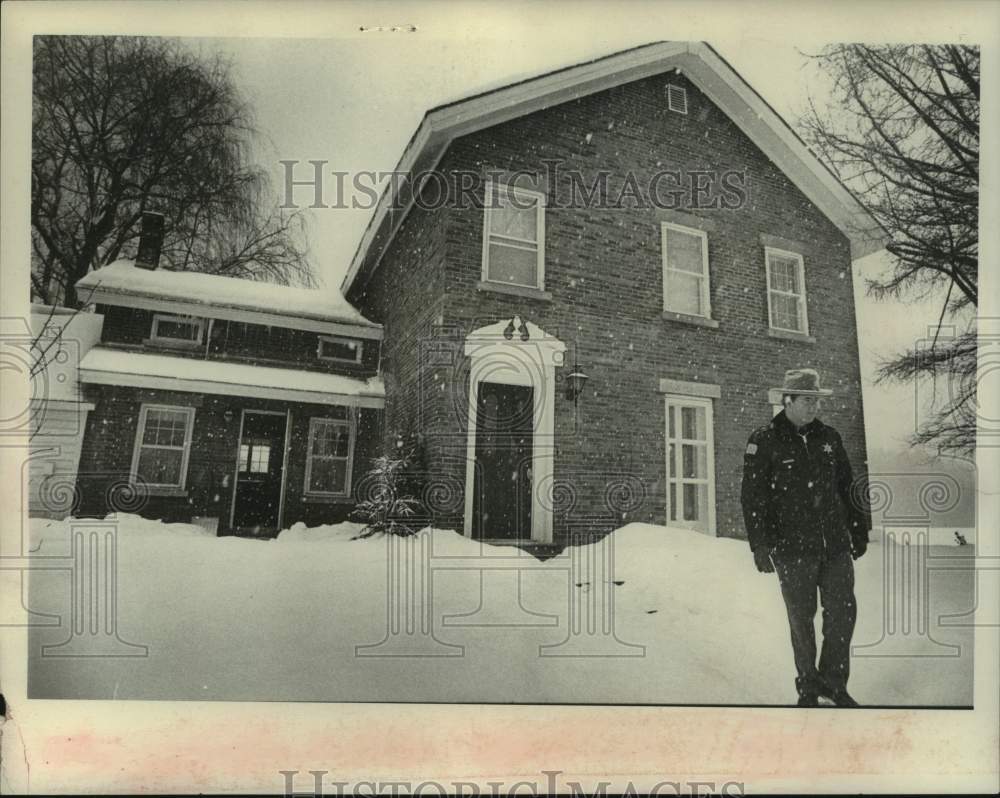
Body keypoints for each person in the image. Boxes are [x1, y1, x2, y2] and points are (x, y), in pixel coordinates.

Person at [740, 368, 870, 707]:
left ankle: (834, 683)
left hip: (834, 546)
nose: (814, 408)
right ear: (788, 401)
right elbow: (753, 498)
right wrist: (760, 545)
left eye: (817, 401)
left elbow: (848, 486)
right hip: (792, 549)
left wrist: (859, 529)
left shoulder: (829, 438)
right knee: (801, 619)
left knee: (842, 614)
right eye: (807, 401)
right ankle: (809, 686)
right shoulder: (764, 440)